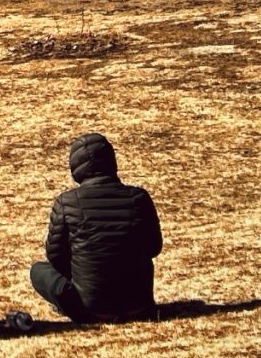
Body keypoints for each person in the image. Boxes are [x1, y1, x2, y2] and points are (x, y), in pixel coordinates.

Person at [30, 132, 162, 324]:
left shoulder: (66, 202)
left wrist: (80, 271)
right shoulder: (138, 198)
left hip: (92, 309)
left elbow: (55, 256)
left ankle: (72, 305)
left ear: (75, 167)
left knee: (38, 270)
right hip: (138, 305)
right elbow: (154, 247)